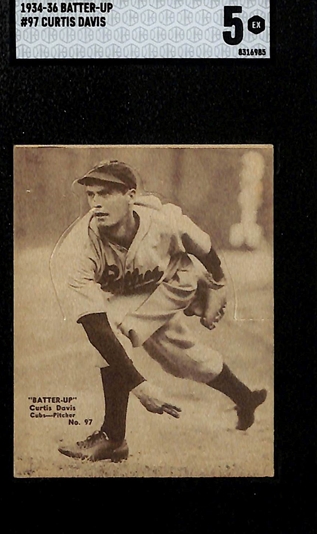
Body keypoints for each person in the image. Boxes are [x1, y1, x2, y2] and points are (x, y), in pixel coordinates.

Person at [52, 160, 267, 462]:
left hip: (174, 281)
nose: (96, 203)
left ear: (130, 195)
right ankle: (245, 397)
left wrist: (217, 284)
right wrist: (140, 385)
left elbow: (203, 247)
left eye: (106, 193)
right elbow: (93, 324)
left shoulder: (163, 220)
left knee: (117, 325)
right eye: (91, 195)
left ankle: (113, 437)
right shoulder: (77, 250)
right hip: (132, 292)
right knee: (182, 358)